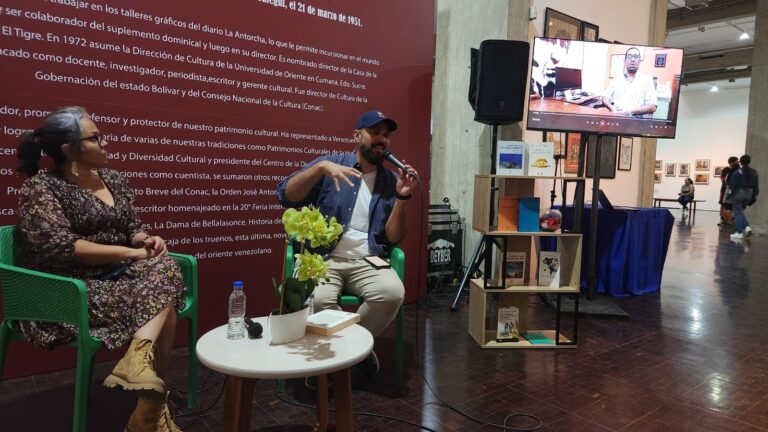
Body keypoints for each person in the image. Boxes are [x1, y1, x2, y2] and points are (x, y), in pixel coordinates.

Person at [16, 106, 185, 431]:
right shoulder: (41, 188)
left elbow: (132, 227)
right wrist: (131, 252)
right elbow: (63, 247)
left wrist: (146, 240)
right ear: (69, 149)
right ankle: (149, 412)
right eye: (95, 138)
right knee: (165, 309)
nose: (105, 143)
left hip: (118, 277)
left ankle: (138, 371)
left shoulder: (114, 180)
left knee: (166, 267)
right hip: (70, 289)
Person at [276, 110, 416, 379]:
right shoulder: (331, 165)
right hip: (324, 260)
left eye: (386, 135)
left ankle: (350, 349)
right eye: (374, 132)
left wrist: (402, 197)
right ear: (356, 136)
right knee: (319, 300)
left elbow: (394, 238)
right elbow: (285, 194)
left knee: (392, 293)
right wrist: (320, 168)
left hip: (368, 260)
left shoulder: (390, 180)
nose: (382, 139)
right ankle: (353, 352)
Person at [601, 47, 658, 117]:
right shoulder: (616, 79)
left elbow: (653, 106)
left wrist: (629, 112)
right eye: (629, 57)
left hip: (634, 119)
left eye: (636, 57)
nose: (633, 60)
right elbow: (605, 97)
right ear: (624, 61)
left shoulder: (647, 80)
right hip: (616, 116)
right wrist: (612, 108)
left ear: (639, 61)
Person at [728, 154, 759, 241]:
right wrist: (754, 195)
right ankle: (746, 227)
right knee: (740, 211)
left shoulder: (738, 172)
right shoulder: (754, 172)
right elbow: (756, 186)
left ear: (740, 162)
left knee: (737, 212)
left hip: (739, 193)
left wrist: (730, 195)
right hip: (749, 193)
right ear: (749, 161)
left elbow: (732, 185)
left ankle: (739, 232)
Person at [718, 156, 739, 226]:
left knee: (729, 205)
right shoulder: (725, 169)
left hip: (730, 189)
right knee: (722, 203)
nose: (738, 163)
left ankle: (729, 219)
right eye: (736, 161)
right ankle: (722, 219)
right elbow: (722, 179)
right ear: (732, 162)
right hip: (724, 189)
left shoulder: (736, 169)